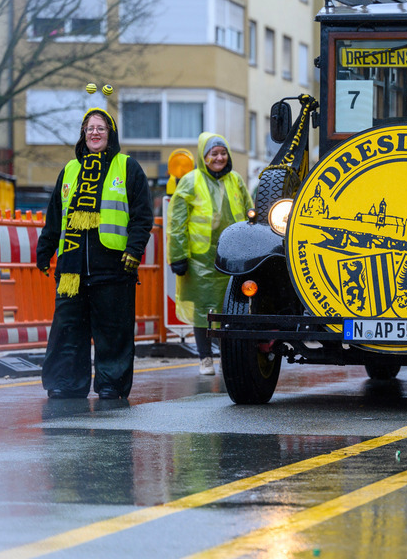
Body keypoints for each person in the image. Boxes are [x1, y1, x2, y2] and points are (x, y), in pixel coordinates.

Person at [36, 105, 154, 399]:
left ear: (110, 133)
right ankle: (65, 383)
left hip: (113, 266)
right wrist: (45, 249)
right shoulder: (69, 170)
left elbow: (142, 216)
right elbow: (55, 216)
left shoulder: (127, 167)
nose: (95, 133)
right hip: (71, 268)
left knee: (113, 332)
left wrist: (134, 250)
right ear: (83, 134)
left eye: (101, 128)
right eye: (90, 128)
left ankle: (111, 385)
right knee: (67, 330)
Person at [168, 133, 253, 375]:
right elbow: (177, 222)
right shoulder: (190, 181)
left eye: (223, 153)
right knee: (202, 311)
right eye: (213, 154)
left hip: (233, 257)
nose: (219, 158)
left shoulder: (236, 180)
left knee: (231, 310)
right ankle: (205, 358)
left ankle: (227, 356)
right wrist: (178, 255)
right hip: (200, 260)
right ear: (203, 157)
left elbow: (250, 212)